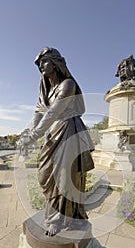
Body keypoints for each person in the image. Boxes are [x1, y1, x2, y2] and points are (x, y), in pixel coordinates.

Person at [22, 47, 94, 236]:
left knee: (63, 177)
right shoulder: (46, 91)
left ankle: (59, 219)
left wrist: (33, 136)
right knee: (45, 174)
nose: (41, 66)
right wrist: (30, 133)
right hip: (52, 135)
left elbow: (53, 113)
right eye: (38, 64)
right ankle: (57, 215)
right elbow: (39, 112)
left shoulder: (67, 85)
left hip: (68, 133)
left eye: (44, 62)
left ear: (55, 63)